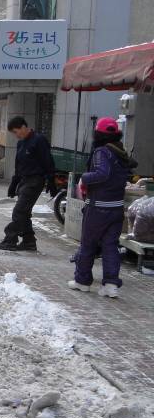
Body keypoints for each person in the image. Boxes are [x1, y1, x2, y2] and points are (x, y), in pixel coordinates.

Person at [67, 117, 136, 299]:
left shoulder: (102, 152)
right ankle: (111, 285)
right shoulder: (120, 152)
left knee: (88, 245)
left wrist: (84, 178)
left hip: (98, 208)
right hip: (116, 208)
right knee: (110, 246)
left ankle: (82, 281)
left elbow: (102, 173)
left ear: (98, 134)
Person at [0, 116, 56, 252]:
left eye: (16, 132)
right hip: (24, 181)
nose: (16, 135)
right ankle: (29, 242)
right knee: (24, 212)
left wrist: (51, 180)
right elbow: (18, 165)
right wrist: (14, 183)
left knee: (19, 211)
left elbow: (47, 161)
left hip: (35, 181)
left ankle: (10, 240)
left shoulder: (39, 140)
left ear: (23, 127)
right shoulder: (21, 143)